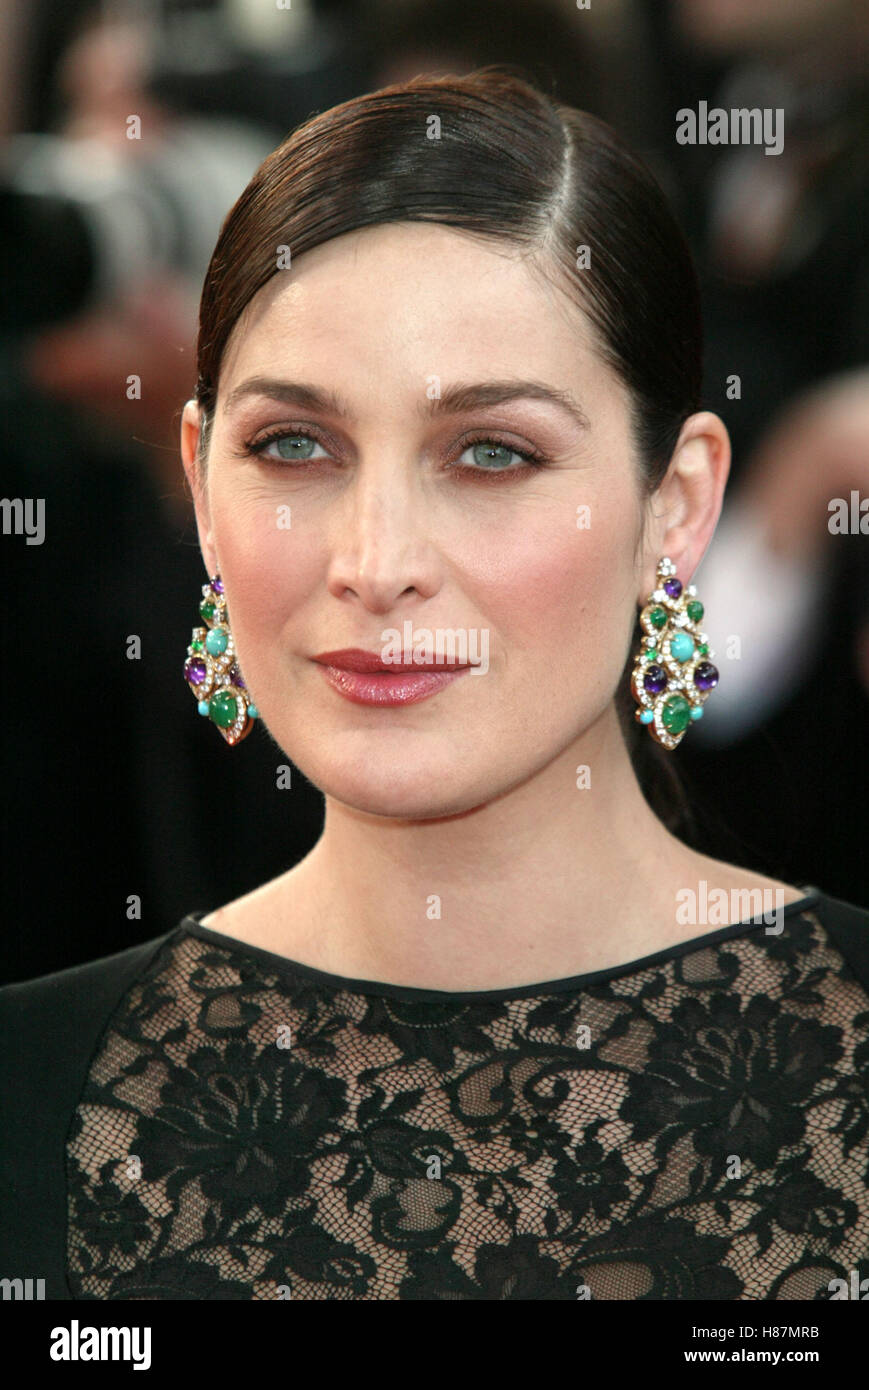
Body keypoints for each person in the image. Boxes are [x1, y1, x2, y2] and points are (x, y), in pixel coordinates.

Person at [2, 67, 868, 1302]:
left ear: (673, 505)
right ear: (201, 486)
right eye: (292, 446)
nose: (376, 565)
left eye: (491, 452)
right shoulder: (29, 1093)